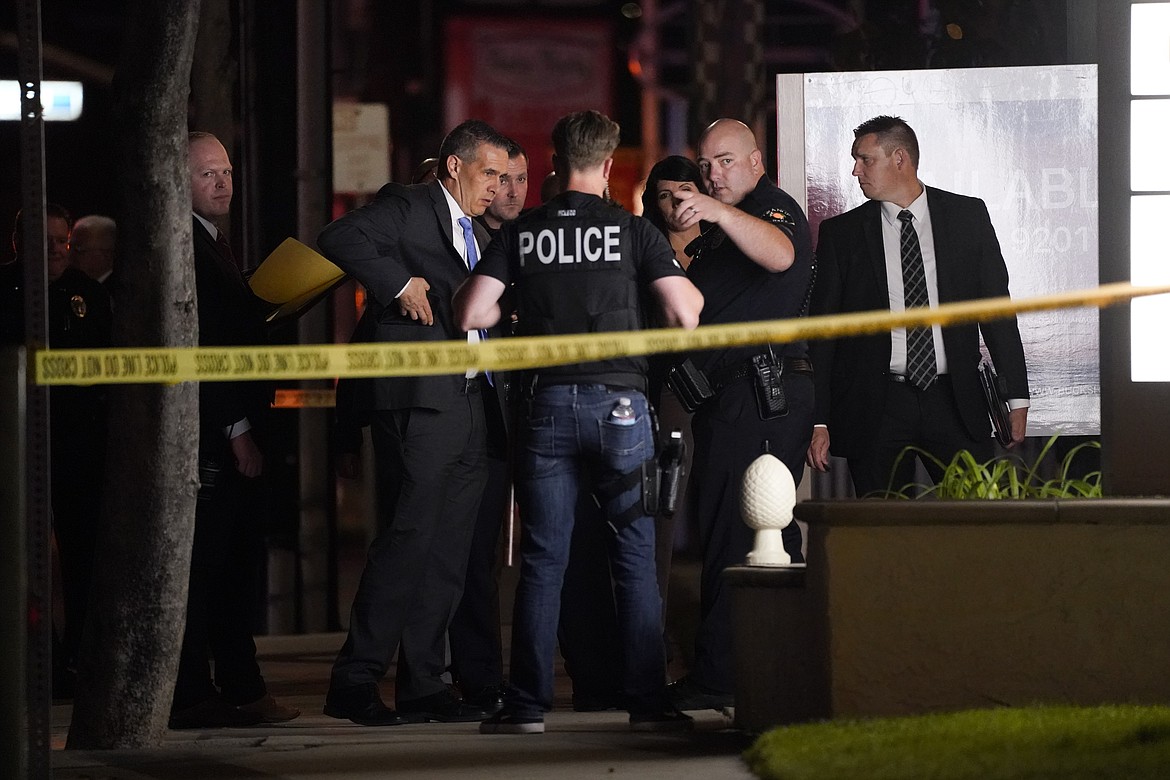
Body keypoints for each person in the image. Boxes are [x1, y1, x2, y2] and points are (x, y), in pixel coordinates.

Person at [456, 109, 705, 734]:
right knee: (633, 552)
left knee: (545, 560)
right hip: (621, 407)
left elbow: (473, 310)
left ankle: (526, 707)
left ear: (553, 162)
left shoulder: (526, 231)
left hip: (545, 408)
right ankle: (647, 703)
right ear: (610, 165)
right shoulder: (631, 231)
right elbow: (685, 312)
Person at [317, 119, 511, 727]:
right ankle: (354, 680)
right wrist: (398, 283)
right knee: (407, 542)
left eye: (505, 177)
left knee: (450, 552)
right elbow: (338, 237)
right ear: (454, 166)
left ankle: (424, 683)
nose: (497, 187)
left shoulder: (479, 232)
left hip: (475, 402)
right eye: (489, 174)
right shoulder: (408, 206)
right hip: (422, 404)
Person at [665, 118, 816, 712]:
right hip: (732, 399)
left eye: (725, 161)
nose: (713, 174)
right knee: (750, 531)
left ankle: (725, 675)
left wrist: (716, 210)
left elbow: (780, 256)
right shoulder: (719, 234)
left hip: (762, 395)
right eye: (705, 164)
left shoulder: (774, 210)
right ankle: (776, 662)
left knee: (743, 529)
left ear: (757, 162)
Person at [806, 115, 1029, 496]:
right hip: (877, 407)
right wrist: (818, 420)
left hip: (956, 401)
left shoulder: (967, 217)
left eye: (865, 159)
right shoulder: (841, 235)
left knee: (975, 522)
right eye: (855, 160)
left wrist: (1017, 396)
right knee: (886, 531)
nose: (856, 170)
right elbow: (824, 333)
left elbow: (996, 313)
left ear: (900, 159)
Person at [171, 131, 299, 728]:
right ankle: (200, 692)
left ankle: (237, 686)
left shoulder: (214, 243)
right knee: (214, 569)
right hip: (219, 437)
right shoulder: (188, 251)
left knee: (232, 566)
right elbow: (205, 349)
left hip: (231, 428)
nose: (223, 182)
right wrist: (237, 428)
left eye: (226, 171)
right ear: (179, 183)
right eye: (207, 174)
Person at [5, 204, 112, 696]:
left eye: (59, 239)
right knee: (22, 560)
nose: (52, 248)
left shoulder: (88, 295)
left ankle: (76, 661)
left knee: (83, 560)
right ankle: (34, 660)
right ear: (17, 244)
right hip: (17, 447)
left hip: (77, 450)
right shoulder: (5, 291)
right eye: (41, 239)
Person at [447, 138, 529, 714]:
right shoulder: (472, 241)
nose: (510, 190)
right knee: (463, 552)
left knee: (493, 555)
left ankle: (484, 674)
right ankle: (468, 675)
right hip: (457, 410)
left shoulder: (522, 247)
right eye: (500, 177)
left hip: (510, 415)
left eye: (520, 179)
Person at [70, 214, 117, 289]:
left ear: (107, 254)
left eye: (79, 249)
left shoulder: (118, 294)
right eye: (69, 247)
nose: (70, 255)